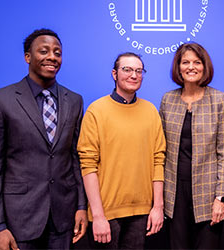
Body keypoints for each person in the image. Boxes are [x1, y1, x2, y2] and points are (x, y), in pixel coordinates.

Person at [0, 28, 88, 250]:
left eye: (57, 52)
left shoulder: (74, 101)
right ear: (28, 57)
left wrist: (81, 206)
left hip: (63, 220)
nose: (52, 57)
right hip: (18, 221)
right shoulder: (0, 101)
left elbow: (75, 158)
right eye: (44, 51)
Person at [77, 52, 166, 249]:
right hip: (106, 215)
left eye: (138, 71)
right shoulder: (96, 111)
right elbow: (88, 165)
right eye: (127, 69)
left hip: (142, 214)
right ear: (114, 74)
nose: (133, 75)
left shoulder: (151, 111)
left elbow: (158, 160)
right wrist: (98, 215)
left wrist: (157, 207)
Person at [159, 42, 224, 249]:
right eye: (185, 62)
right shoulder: (168, 100)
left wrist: (222, 197)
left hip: (209, 194)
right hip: (174, 193)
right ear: (178, 67)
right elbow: (160, 151)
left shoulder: (219, 99)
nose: (191, 67)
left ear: (204, 66)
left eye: (197, 62)